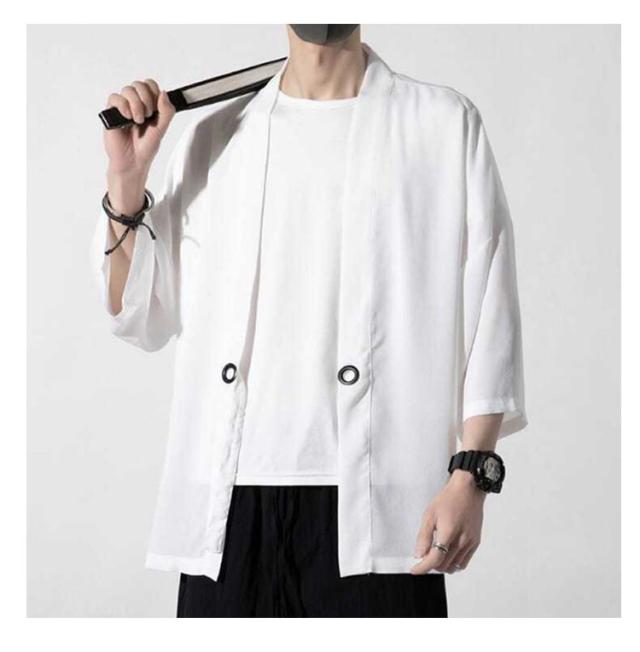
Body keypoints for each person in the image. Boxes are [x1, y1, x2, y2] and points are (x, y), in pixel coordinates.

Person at [92, 24, 526, 618]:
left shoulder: (442, 124)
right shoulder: (213, 135)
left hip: (379, 504)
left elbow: (491, 306)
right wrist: (126, 181)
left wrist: (472, 475)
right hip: (228, 508)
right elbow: (138, 313)